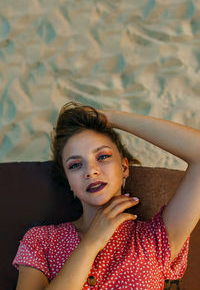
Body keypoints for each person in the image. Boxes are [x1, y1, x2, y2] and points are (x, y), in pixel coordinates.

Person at [12, 101, 200, 290]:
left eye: (103, 157)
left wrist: (110, 118)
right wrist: (91, 243)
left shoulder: (155, 239)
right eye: (75, 165)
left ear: (124, 167)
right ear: (69, 181)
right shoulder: (42, 241)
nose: (91, 171)